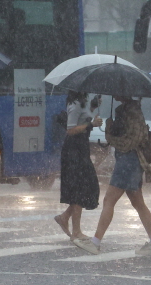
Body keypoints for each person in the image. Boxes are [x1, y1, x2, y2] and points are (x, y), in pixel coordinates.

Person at [72, 96, 151, 256]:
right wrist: (110, 128)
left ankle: (95, 242)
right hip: (131, 161)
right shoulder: (128, 110)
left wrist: (109, 132)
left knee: (109, 200)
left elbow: (130, 142)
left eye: (118, 91)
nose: (115, 94)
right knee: (138, 203)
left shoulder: (131, 111)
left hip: (129, 161)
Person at [54, 92, 102, 240]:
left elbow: (83, 119)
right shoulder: (74, 105)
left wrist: (93, 107)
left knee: (89, 187)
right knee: (79, 189)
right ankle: (76, 231)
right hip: (73, 150)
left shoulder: (83, 101)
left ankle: (65, 217)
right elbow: (71, 129)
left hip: (81, 149)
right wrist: (91, 124)